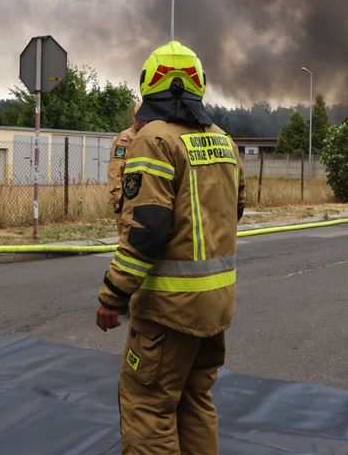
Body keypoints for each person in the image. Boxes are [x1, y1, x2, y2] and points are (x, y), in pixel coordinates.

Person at [94, 41, 245, 454]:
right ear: (199, 84)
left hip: (168, 309)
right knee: (195, 400)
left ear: (147, 83)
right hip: (216, 304)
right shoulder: (223, 141)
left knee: (149, 406)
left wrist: (113, 294)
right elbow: (237, 209)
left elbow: (147, 230)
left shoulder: (154, 140)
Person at [107, 106, 146, 214]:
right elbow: (116, 167)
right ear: (133, 117)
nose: (140, 120)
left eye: (143, 117)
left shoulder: (148, 137)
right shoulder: (126, 137)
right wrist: (117, 195)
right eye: (137, 116)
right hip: (129, 193)